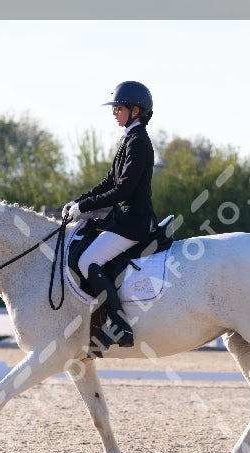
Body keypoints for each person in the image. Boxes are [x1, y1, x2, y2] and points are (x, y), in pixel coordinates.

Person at [62, 81, 159, 349]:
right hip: (123, 219)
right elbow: (109, 181)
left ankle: (120, 326)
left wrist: (85, 207)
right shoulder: (128, 138)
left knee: (87, 261)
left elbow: (123, 189)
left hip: (133, 222)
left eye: (118, 107)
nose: (114, 111)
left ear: (135, 109)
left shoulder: (139, 142)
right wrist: (79, 202)